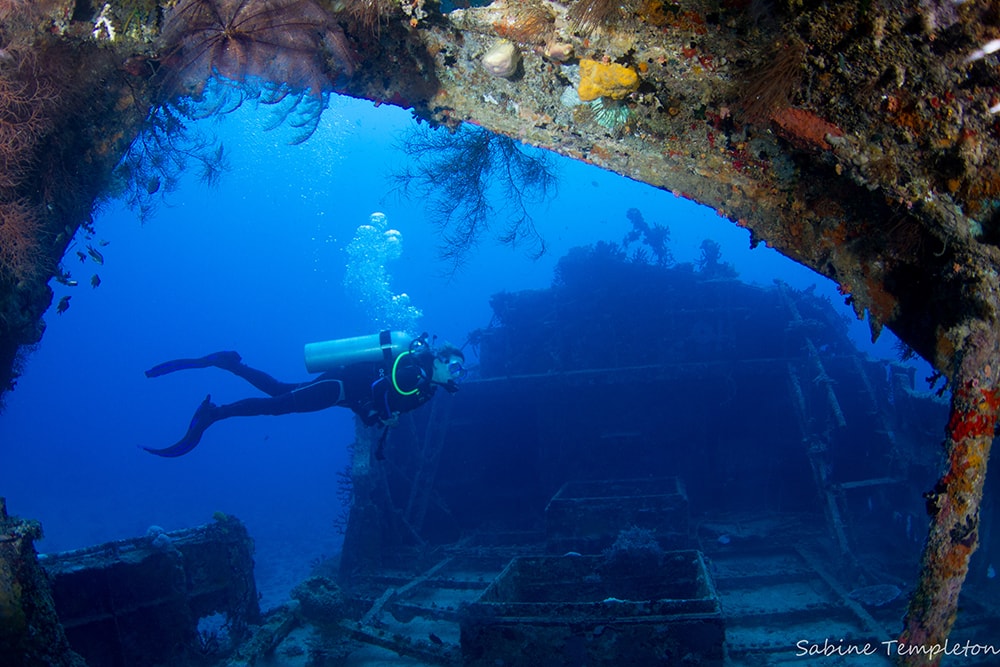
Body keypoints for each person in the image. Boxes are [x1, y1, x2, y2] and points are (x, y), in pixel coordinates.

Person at [142, 336, 466, 458]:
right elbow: (379, 391)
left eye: (459, 370)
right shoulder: (415, 373)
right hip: (336, 386)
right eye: (453, 365)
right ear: (439, 359)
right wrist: (382, 415)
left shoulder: (426, 388)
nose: (455, 372)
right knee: (276, 405)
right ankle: (215, 413)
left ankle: (230, 364)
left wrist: (373, 415)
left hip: (340, 391)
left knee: (279, 392)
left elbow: (371, 398)